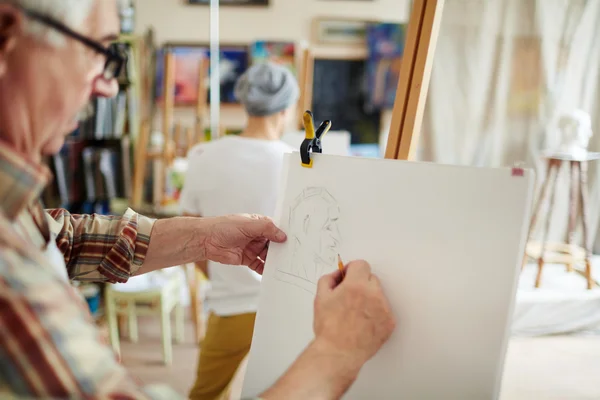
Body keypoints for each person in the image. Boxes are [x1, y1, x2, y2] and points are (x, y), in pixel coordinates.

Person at [0, 1, 396, 399]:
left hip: (229, 309)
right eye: (99, 51)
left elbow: (64, 237)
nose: (108, 86)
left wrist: (202, 238)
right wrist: (339, 352)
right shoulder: (7, 261)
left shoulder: (17, 209)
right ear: (6, 37)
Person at [181, 61, 299, 400]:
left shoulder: (202, 155)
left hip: (228, 305)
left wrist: (222, 277)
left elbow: (191, 238)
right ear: (286, 108)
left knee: (205, 394)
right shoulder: (294, 162)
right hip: (283, 310)